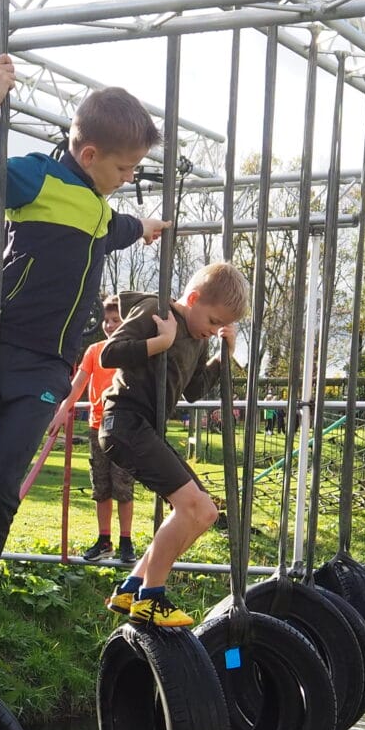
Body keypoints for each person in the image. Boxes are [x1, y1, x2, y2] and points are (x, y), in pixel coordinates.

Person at [0, 53, 168, 677]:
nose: (128, 178)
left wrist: (145, 227)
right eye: (124, 168)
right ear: (89, 155)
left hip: (44, 370)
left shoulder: (99, 207)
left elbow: (113, 228)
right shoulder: (36, 178)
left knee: (1, 489)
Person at [99, 263, 251, 627]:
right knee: (190, 507)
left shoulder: (198, 340)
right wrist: (160, 343)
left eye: (219, 326)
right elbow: (109, 353)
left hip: (146, 430)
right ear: (193, 298)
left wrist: (222, 357)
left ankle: (132, 586)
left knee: (206, 512)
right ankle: (151, 597)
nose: (212, 329)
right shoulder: (157, 311)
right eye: (212, 321)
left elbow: (194, 390)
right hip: (124, 421)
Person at [50, 295, 138, 565]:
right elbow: (78, 384)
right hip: (97, 426)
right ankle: (104, 540)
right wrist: (63, 409)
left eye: (116, 320)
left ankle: (126, 541)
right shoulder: (94, 351)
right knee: (101, 485)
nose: (109, 325)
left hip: (123, 427)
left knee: (123, 485)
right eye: (107, 320)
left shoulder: (132, 351)